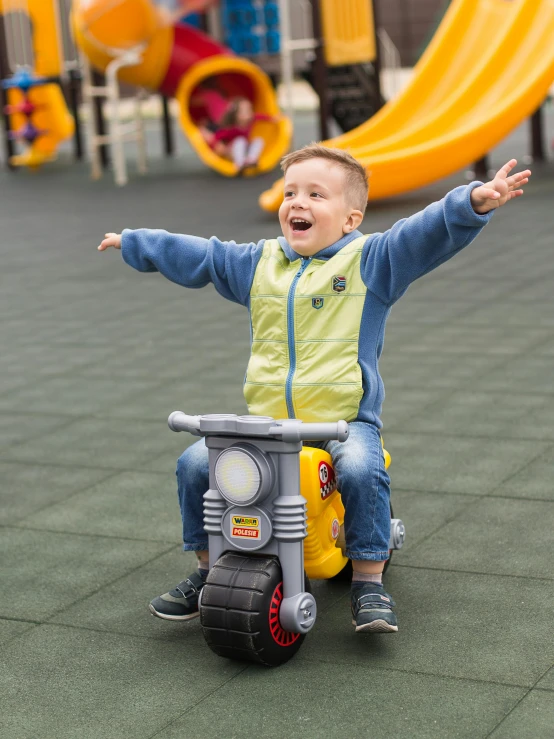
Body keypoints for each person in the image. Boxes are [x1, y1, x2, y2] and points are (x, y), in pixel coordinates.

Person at [98, 144, 530, 633]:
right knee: (196, 463)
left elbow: (419, 235)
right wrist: (136, 243)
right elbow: (206, 255)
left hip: (342, 422)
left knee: (363, 468)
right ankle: (206, 569)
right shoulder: (258, 264)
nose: (297, 203)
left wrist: (472, 202)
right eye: (291, 192)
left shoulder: (371, 262)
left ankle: (368, 580)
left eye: (315, 194)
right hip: (267, 424)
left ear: (350, 218)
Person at [209, 96, 275, 172]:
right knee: (240, 141)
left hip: (245, 149)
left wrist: (272, 119)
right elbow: (217, 136)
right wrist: (217, 146)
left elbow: (260, 117)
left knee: (258, 140)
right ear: (236, 115)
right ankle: (239, 164)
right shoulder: (231, 128)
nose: (249, 113)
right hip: (233, 152)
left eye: (250, 110)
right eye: (245, 111)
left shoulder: (251, 120)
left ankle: (251, 159)